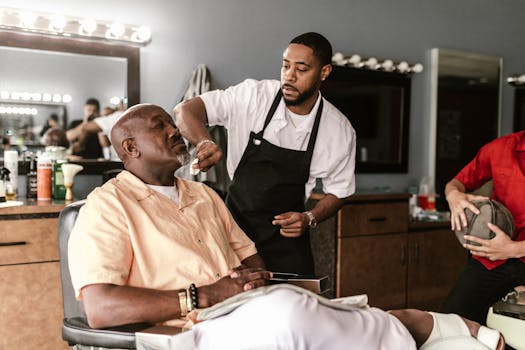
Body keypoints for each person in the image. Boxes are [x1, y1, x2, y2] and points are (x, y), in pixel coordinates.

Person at [69, 104, 504, 350]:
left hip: (239, 313)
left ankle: (424, 332)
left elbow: (249, 256)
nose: (174, 130)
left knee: (317, 305)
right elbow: (101, 309)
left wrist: (254, 279)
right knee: (290, 315)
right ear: (129, 147)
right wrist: (207, 293)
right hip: (184, 331)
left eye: (171, 122)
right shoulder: (106, 207)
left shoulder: (203, 195)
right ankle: (410, 326)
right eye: (160, 127)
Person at [174, 32, 356, 275]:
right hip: (233, 232)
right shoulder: (253, 96)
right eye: (285, 66)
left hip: (286, 243)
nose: (289, 76)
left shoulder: (338, 130)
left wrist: (309, 217)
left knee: (293, 306)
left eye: (301, 69)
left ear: (324, 72)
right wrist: (204, 142)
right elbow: (186, 110)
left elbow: (340, 192)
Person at [442, 130, 525, 325]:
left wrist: (513, 249)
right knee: (452, 322)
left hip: (511, 250)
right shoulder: (500, 149)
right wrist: (453, 196)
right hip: (494, 257)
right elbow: (456, 183)